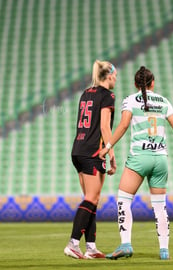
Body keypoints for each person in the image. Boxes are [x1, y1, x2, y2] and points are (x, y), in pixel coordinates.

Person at [99, 66, 173, 260]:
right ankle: (164, 251)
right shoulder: (164, 101)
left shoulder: (130, 100)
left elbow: (123, 125)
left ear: (135, 84)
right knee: (160, 206)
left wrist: (108, 146)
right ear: (153, 83)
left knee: (123, 200)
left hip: (139, 157)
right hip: (160, 158)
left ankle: (126, 243)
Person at [64, 60, 118, 259]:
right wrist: (111, 154)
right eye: (116, 76)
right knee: (91, 198)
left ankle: (91, 247)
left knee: (92, 200)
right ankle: (73, 243)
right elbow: (105, 127)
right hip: (92, 152)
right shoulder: (108, 96)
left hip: (78, 149)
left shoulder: (86, 93)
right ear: (110, 75)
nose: (116, 80)